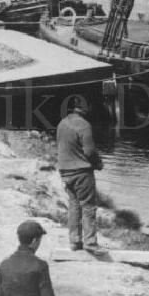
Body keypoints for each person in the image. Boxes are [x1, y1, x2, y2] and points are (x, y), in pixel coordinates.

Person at [56, 102, 106, 255]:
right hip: (81, 172)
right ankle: (90, 243)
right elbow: (89, 151)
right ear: (85, 110)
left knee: (74, 206)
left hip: (65, 171)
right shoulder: (84, 125)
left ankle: (75, 242)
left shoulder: (62, 123)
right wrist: (98, 163)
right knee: (88, 206)